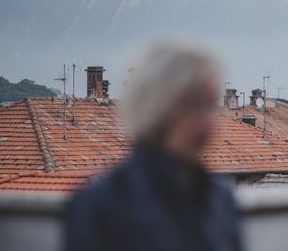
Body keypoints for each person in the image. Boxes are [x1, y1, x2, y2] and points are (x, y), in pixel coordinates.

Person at [65, 43, 243, 251]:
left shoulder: (221, 199)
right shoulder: (101, 204)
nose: (209, 121)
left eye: (211, 105)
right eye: (195, 105)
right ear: (158, 108)